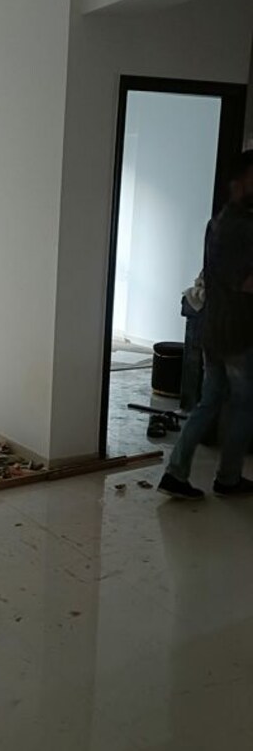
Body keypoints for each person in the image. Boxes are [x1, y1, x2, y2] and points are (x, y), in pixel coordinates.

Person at [158, 148, 253, 501]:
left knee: (209, 401)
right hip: (238, 333)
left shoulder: (217, 223)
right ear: (238, 182)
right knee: (243, 405)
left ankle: (176, 473)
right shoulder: (241, 227)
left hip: (213, 329)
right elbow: (244, 282)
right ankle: (228, 478)